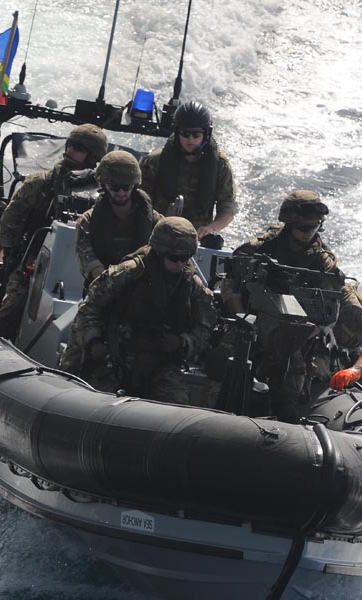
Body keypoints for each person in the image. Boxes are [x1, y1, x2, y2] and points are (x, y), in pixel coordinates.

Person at [224, 189, 362, 419]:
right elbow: (230, 281)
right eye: (303, 228)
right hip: (254, 329)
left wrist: (355, 371)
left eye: (315, 227)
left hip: (302, 342)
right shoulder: (259, 251)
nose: (310, 233)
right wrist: (244, 319)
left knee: (295, 371)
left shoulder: (326, 269)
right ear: (288, 224)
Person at [60, 217, 217, 404]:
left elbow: (206, 327)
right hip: (117, 354)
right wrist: (94, 342)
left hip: (159, 361)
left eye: (185, 259)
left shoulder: (191, 285)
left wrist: (182, 342)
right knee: (96, 399)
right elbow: (89, 308)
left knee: (176, 401)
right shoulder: (128, 274)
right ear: (159, 253)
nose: (180, 265)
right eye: (174, 258)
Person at [0, 124, 108, 338]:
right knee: (13, 308)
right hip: (35, 262)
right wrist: (8, 253)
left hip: (82, 270)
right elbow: (12, 217)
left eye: (80, 148)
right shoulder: (41, 184)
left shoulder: (102, 196)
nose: (71, 151)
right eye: (71, 145)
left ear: (92, 156)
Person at [139, 100, 237, 248]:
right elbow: (140, 201)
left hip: (195, 239)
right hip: (157, 234)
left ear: (206, 134)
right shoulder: (155, 161)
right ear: (176, 132)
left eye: (196, 134)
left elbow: (228, 208)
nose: (190, 139)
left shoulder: (219, 166)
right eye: (185, 134)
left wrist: (211, 228)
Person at [75, 150, 162, 284]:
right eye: (115, 187)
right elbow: (87, 255)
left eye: (126, 187)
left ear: (134, 186)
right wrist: (107, 278)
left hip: (142, 289)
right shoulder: (87, 221)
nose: (121, 193)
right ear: (104, 186)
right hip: (102, 286)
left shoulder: (155, 221)